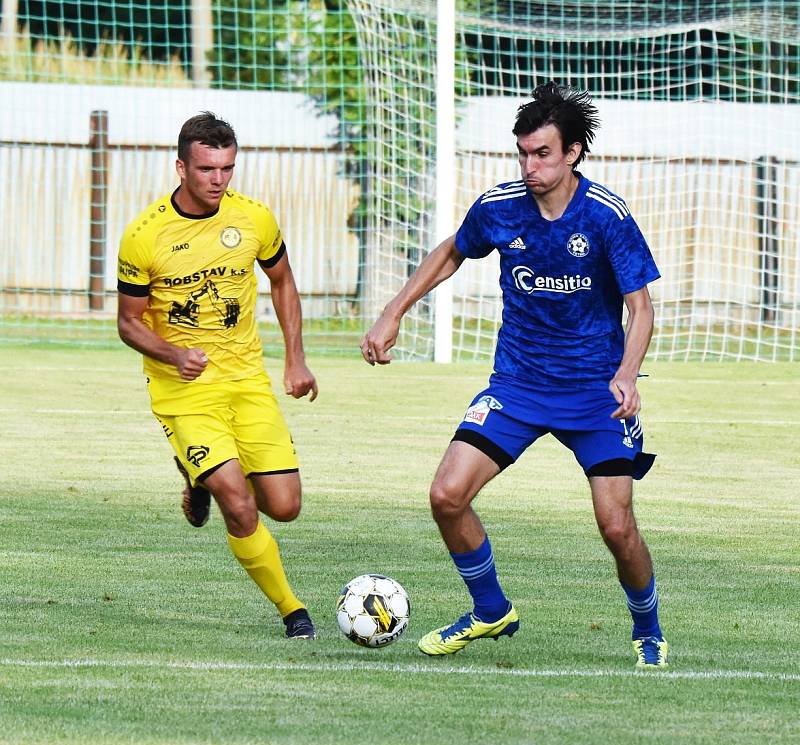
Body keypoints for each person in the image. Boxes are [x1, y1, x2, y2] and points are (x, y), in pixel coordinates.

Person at [361, 82, 668, 668]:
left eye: (543, 154)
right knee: (446, 496)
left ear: (573, 151)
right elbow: (453, 250)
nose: (530, 166)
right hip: (518, 386)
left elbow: (642, 307)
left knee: (615, 526)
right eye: (523, 153)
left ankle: (647, 629)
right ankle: (489, 609)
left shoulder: (606, 217)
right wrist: (392, 312)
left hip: (595, 393)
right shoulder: (499, 207)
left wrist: (628, 375)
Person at [117, 111, 317, 640]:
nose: (218, 180)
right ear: (181, 166)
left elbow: (283, 281)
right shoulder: (144, 236)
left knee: (285, 507)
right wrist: (170, 352)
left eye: (227, 168)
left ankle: (195, 471)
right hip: (184, 390)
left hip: (246, 380)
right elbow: (127, 324)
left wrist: (294, 358)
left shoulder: (254, 218)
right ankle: (293, 611)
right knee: (237, 500)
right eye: (207, 168)